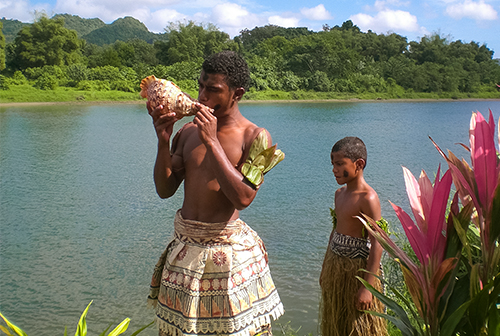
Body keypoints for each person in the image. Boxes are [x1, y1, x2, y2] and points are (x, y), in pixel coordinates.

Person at [147, 51, 284, 336]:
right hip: (186, 252)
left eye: (213, 90)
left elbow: (243, 198)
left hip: (228, 257)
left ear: (237, 93)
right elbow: (165, 189)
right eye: (200, 86)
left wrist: (212, 141)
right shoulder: (186, 133)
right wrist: (163, 141)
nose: (202, 96)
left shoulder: (255, 137)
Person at [319, 137, 387, 336]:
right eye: (333, 164)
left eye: (340, 164)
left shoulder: (368, 198)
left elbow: (377, 244)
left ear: (359, 164)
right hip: (336, 267)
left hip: (358, 272)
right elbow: (335, 231)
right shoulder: (339, 194)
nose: (334, 169)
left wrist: (368, 287)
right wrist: (325, 268)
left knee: (358, 326)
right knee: (337, 323)